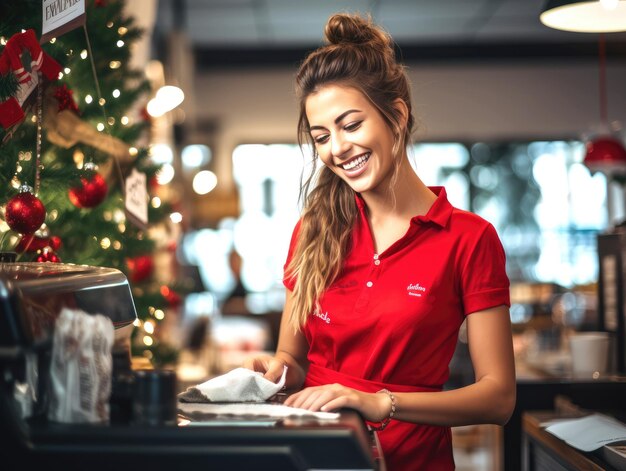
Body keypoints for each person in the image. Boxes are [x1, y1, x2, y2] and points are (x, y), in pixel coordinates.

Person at [244, 12, 516, 470]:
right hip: (314, 458)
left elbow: (498, 398)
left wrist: (380, 402)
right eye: (321, 137)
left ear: (397, 114)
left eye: (351, 125)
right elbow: (293, 357)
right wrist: (276, 372)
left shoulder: (469, 239)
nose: (336, 149)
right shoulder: (314, 229)